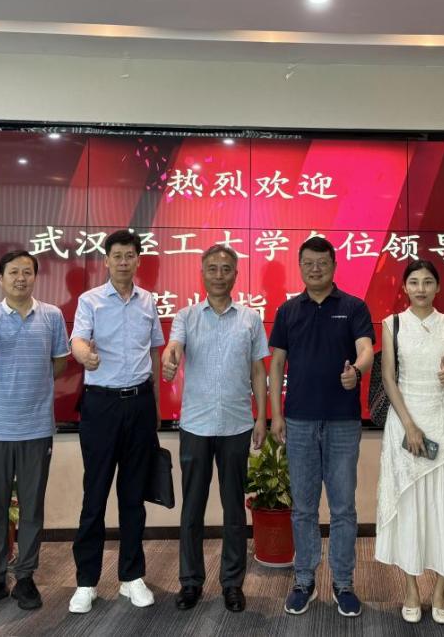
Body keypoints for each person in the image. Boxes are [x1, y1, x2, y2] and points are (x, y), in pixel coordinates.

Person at [268, 236, 375, 618]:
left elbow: (366, 349)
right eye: (308, 263)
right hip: (299, 421)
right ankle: (304, 581)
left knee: (343, 508)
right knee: (303, 508)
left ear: (334, 266)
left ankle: (343, 583)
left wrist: (356, 371)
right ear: (300, 267)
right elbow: (276, 364)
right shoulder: (288, 310)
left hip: (342, 422)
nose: (315, 269)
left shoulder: (353, 306)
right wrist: (275, 414)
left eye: (322, 263)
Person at [161, 245, 269, 613]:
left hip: (237, 425)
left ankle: (232, 583)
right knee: (192, 508)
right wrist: (170, 360)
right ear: (202, 273)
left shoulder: (250, 319)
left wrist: (261, 418)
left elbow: (258, 370)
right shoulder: (186, 316)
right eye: (212, 268)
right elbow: (173, 348)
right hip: (196, 425)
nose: (219, 275)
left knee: (234, 509)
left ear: (236, 275)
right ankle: (190, 581)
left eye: (226, 269)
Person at [374, 260, 444, 625]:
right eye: (414, 282)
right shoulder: (392, 323)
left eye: (428, 282)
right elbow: (389, 377)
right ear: (405, 287)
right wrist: (409, 426)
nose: (421, 288)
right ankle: (410, 590)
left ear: (438, 287)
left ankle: (440, 592)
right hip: (405, 423)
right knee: (410, 507)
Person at [0, 250, 69, 613]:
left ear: (35, 277)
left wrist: (34, 382)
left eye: (27, 272)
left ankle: (25, 577)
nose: (21, 278)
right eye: (13, 272)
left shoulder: (52, 316)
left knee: (31, 508)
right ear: (1, 279)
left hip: (36, 428)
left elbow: (59, 363)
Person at [68, 230, 164, 614]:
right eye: (117, 256)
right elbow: (78, 340)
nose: (123, 261)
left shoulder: (148, 301)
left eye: (129, 255)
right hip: (101, 406)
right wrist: (85, 357)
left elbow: (153, 353)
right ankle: (86, 581)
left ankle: (131, 576)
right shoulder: (90, 300)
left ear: (138, 260)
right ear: (106, 260)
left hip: (140, 404)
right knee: (94, 495)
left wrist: (156, 405)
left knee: (133, 495)